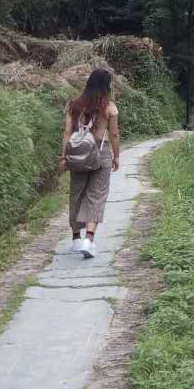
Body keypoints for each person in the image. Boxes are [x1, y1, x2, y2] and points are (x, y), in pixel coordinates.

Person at [59, 68, 120, 258]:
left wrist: (63, 157)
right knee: (97, 195)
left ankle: (76, 239)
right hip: (100, 154)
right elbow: (114, 134)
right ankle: (89, 239)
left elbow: (67, 133)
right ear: (106, 86)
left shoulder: (73, 105)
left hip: (77, 154)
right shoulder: (109, 107)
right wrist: (116, 156)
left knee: (76, 194)